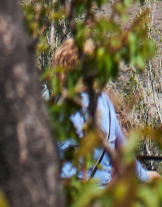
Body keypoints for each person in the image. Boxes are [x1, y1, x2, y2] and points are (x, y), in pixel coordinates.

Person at [52, 37, 151, 184]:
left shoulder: (54, 108)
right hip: (100, 199)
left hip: (66, 199)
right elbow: (126, 156)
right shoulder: (104, 102)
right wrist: (148, 176)